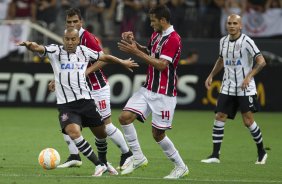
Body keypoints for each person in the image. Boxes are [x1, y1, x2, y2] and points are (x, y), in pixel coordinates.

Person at [17, 28, 137, 176]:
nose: (70, 42)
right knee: (73, 132)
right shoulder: (55, 51)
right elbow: (38, 47)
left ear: (78, 40)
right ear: (63, 39)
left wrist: (122, 62)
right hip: (66, 105)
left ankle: (104, 162)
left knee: (101, 134)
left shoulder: (85, 51)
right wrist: (30, 45)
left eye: (73, 39)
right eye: (67, 39)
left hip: (86, 101)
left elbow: (104, 57)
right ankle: (98, 164)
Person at [48, 8, 134, 172]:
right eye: (69, 22)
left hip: (97, 87)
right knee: (68, 124)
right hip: (82, 90)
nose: (72, 24)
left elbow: (103, 59)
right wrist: (57, 79)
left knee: (105, 127)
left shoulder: (87, 38)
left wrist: (85, 72)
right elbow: (67, 65)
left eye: (75, 21)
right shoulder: (70, 38)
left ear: (81, 22)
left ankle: (127, 153)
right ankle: (76, 156)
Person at [117, 4, 189, 179]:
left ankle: (181, 167)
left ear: (163, 20)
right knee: (124, 118)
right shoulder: (157, 35)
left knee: (158, 134)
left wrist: (135, 52)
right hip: (148, 88)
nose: (151, 24)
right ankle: (138, 157)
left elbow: (161, 64)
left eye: (153, 21)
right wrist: (134, 44)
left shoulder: (174, 39)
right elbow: (150, 53)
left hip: (164, 93)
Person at [201, 14, 267, 164]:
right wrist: (211, 75)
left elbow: (262, 61)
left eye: (235, 23)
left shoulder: (247, 41)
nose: (231, 26)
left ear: (240, 26)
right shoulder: (223, 41)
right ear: (226, 25)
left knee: (248, 121)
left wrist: (249, 76)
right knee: (219, 116)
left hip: (245, 88)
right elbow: (221, 60)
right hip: (227, 86)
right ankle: (215, 155)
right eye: (229, 23)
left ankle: (261, 152)